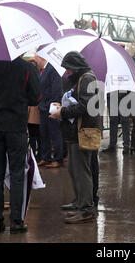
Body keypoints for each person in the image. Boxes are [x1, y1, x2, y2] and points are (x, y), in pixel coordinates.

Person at [0, 56, 41, 234]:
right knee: (17, 173)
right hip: (17, 127)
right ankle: (17, 221)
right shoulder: (26, 67)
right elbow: (36, 98)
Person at [50, 51, 99, 224]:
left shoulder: (86, 79)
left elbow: (86, 106)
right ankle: (80, 202)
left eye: (69, 69)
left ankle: (86, 209)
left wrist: (62, 112)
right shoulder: (81, 78)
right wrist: (62, 106)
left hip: (82, 131)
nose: (67, 72)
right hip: (75, 131)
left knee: (82, 171)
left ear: (75, 67)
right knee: (75, 170)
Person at [33, 55, 63, 168]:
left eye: (36, 60)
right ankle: (46, 157)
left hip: (51, 108)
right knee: (44, 133)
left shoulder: (52, 69)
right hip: (43, 107)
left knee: (55, 134)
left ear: (41, 58)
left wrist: (55, 105)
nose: (36, 63)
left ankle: (57, 158)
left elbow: (56, 88)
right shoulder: (44, 70)